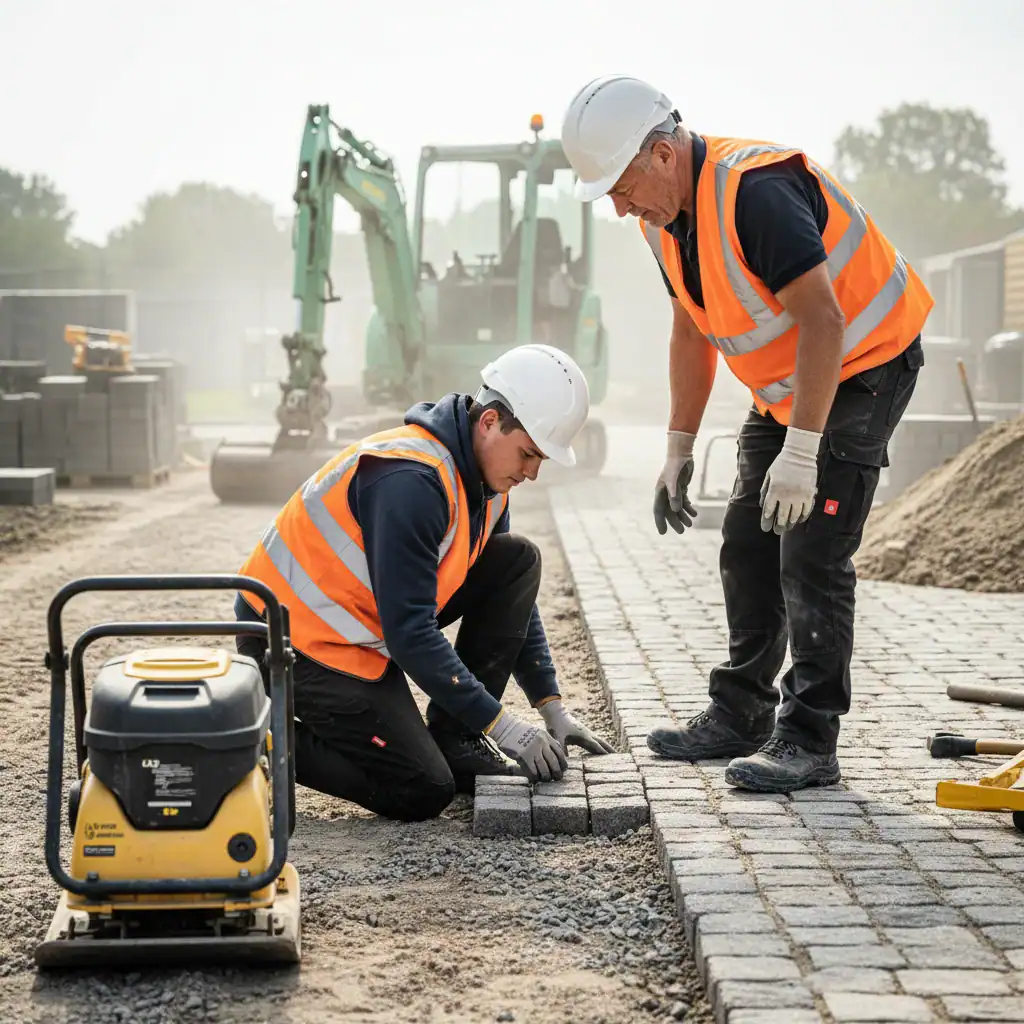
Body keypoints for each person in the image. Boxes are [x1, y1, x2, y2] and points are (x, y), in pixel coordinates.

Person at [560, 76, 933, 794]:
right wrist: (676, 448)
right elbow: (689, 327)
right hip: (789, 383)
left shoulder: (755, 191)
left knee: (813, 551)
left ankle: (808, 740)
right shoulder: (661, 219)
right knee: (746, 542)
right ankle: (740, 714)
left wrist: (803, 455)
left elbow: (825, 321)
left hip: (867, 362)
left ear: (663, 153)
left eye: (620, 184)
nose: (617, 206)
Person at [233, 343, 615, 822]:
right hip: (294, 640)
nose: (533, 473)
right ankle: (256, 734)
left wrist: (550, 704)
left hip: (358, 626)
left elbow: (510, 592)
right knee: (423, 788)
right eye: (529, 454)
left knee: (519, 559)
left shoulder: (484, 480)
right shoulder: (411, 481)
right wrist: (504, 727)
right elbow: (410, 633)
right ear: (491, 421)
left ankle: (457, 736)